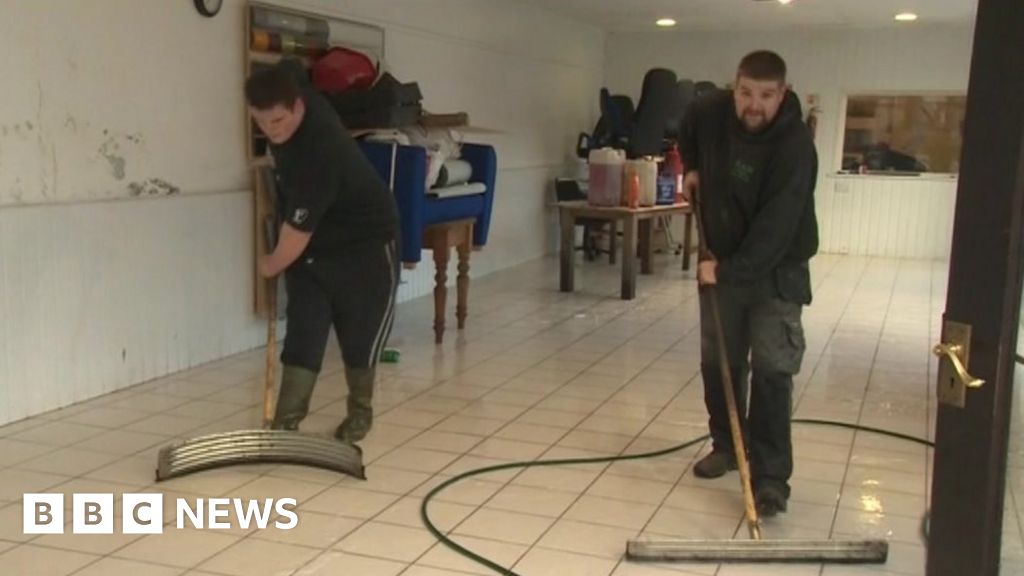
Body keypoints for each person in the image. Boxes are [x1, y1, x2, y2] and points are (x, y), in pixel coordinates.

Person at [678, 50, 819, 516]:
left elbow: (776, 229)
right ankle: (726, 445)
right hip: (722, 262)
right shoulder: (714, 109)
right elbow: (690, 119)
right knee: (719, 359)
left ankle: (771, 479)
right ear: (733, 87)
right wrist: (692, 165)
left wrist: (726, 272)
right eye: (745, 93)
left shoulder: (795, 146)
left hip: (776, 270)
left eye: (765, 95)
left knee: (774, 371)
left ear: (784, 93)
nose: (753, 105)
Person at [245, 62, 400, 443]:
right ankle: (286, 420)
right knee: (304, 328)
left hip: (364, 244)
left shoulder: (320, 151)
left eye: (278, 121)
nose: (272, 131)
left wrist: (268, 265)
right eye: (262, 124)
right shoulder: (291, 99)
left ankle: (360, 412)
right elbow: (291, 71)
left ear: (298, 107)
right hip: (317, 242)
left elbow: (294, 237)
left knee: (358, 336)